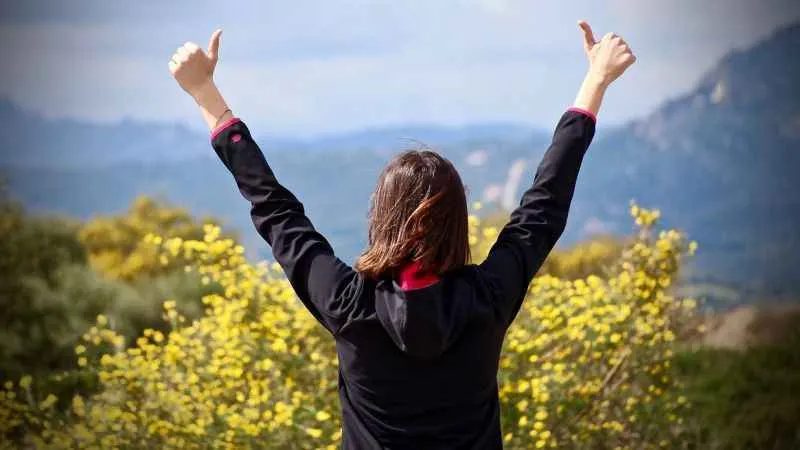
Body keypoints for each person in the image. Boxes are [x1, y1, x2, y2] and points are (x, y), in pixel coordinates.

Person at [169, 19, 635, 450]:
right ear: (458, 220)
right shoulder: (487, 297)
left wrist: (204, 92)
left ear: (382, 215)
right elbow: (545, 206)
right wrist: (596, 81)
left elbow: (275, 209)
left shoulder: (348, 302)